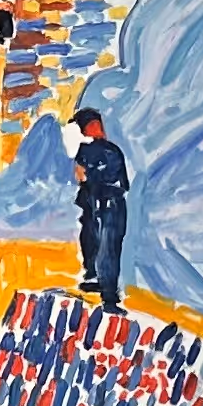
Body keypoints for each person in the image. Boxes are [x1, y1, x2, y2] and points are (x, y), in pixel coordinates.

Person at [71, 105, 131, 305]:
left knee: (108, 246)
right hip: (92, 203)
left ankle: (109, 296)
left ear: (95, 125)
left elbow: (116, 180)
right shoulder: (86, 149)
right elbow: (80, 174)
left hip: (110, 204)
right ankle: (97, 279)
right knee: (92, 242)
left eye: (84, 126)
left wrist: (90, 175)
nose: (82, 130)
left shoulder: (110, 151)